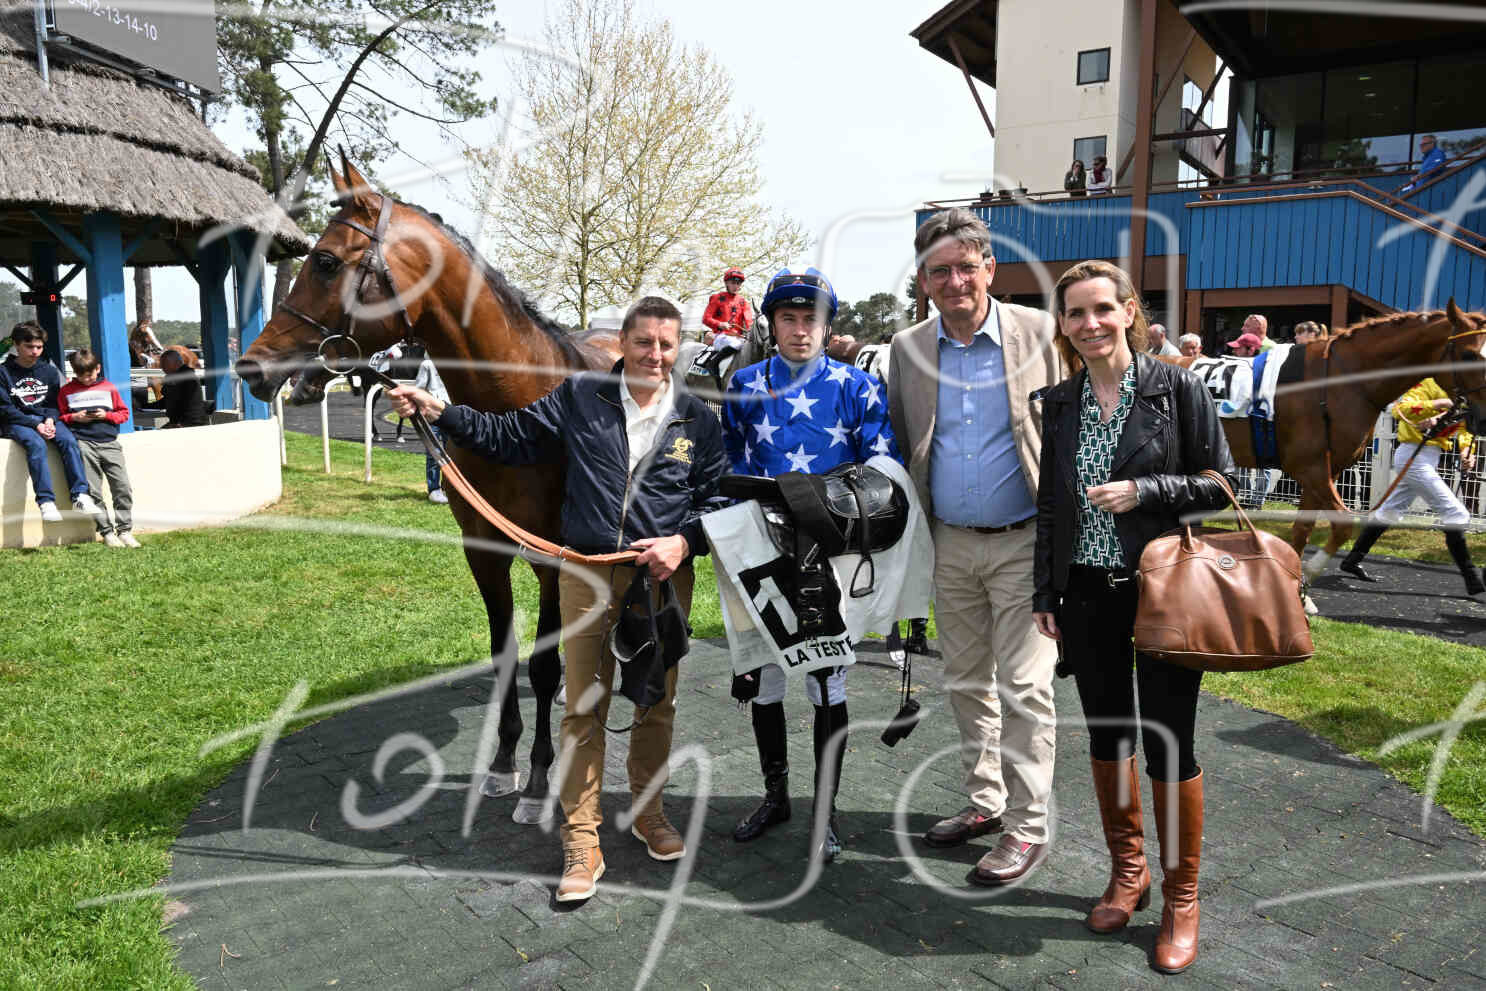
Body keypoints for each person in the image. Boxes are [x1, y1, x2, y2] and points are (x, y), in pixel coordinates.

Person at [388, 296, 727, 904]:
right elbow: (509, 436)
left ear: (679, 350)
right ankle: (581, 839)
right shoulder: (580, 397)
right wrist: (440, 411)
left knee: (656, 703)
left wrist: (683, 541)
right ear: (623, 343)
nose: (654, 355)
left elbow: (717, 497)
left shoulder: (697, 419)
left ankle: (649, 813)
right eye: (643, 342)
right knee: (581, 709)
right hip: (587, 572)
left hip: (661, 580)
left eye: (666, 345)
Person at [1032, 259, 1237, 974]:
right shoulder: (1060, 401)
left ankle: (1182, 897)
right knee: (1107, 735)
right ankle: (1129, 872)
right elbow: (1052, 504)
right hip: (1086, 592)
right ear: (1063, 325)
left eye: (1101, 309)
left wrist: (1143, 491)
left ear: (1128, 312)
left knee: (1169, 742)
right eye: (1074, 313)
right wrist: (1045, 592)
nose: (1089, 323)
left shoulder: (1177, 388)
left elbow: (1222, 483)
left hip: (1164, 591)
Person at [887, 208, 1063, 885]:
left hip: (1026, 541)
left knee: (1024, 687)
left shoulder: (1040, 333)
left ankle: (1027, 828)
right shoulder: (907, 348)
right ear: (923, 280)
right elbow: (905, 440)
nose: (955, 281)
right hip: (950, 545)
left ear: (990, 268)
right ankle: (987, 801)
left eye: (967, 266)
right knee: (966, 683)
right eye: (940, 271)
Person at [722, 267, 901, 863]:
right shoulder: (744, 384)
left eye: (812, 320)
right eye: (789, 318)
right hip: (760, 548)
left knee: (827, 683)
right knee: (766, 680)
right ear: (772, 324)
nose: (801, 330)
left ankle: (826, 810)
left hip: (833, 553)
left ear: (828, 327)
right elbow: (727, 468)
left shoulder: (858, 386)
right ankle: (775, 796)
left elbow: (883, 471)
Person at [1340, 377, 1484, 594]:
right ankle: (1472, 578)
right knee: (1456, 514)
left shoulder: (1465, 393)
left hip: (1429, 457)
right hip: (1413, 456)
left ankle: (1352, 560)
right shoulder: (1428, 383)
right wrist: (1438, 404)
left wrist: (1466, 452)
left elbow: (1464, 427)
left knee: (1390, 511)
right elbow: (1401, 410)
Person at [0, 322, 103, 523]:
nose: (35, 352)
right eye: (29, 346)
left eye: (39, 347)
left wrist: (49, 419)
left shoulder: (48, 370)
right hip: (16, 421)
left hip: (46, 418)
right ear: (16, 345)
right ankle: (46, 502)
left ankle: (80, 495)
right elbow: (5, 409)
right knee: (36, 444)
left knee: (69, 441)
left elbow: (55, 403)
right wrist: (36, 425)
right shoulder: (3, 372)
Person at [58, 349, 139, 547]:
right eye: (81, 375)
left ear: (98, 368)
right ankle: (107, 532)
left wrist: (106, 415)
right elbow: (60, 416)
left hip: (109, 443)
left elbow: (123, 413)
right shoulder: (66, 391)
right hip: (84, 443)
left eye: (90, 374)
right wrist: (74, 417)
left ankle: (125, 530)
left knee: (122, 487)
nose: (86, 379)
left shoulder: (108, 387)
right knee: (93, 490)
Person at [412, 346, 451, 504]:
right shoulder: (427, 364)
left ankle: (449, 487)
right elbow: (419, 388)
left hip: (450, 412)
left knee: (451, 452)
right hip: (432, 415)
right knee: (434, 453)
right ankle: (434, 489)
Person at [149, 346, 209, 427]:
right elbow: (167, 401)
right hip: (185, 422)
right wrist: (145, 406)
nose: (162, 367)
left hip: (189, 423)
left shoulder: (181, 378)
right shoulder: (185, 375)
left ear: (175, 363)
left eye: (164, 364)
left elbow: (175, 402)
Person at [702, 268, 755, 349]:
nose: (735, 286)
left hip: (739, 338)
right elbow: (706, 319)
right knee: (736, 344)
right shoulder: (716, 298)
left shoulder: (743, 302)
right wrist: (720, 324)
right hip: (720, 336)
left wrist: (751, 330)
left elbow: (749, 322)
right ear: (726, 283)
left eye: (738, 283)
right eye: (733, 283)